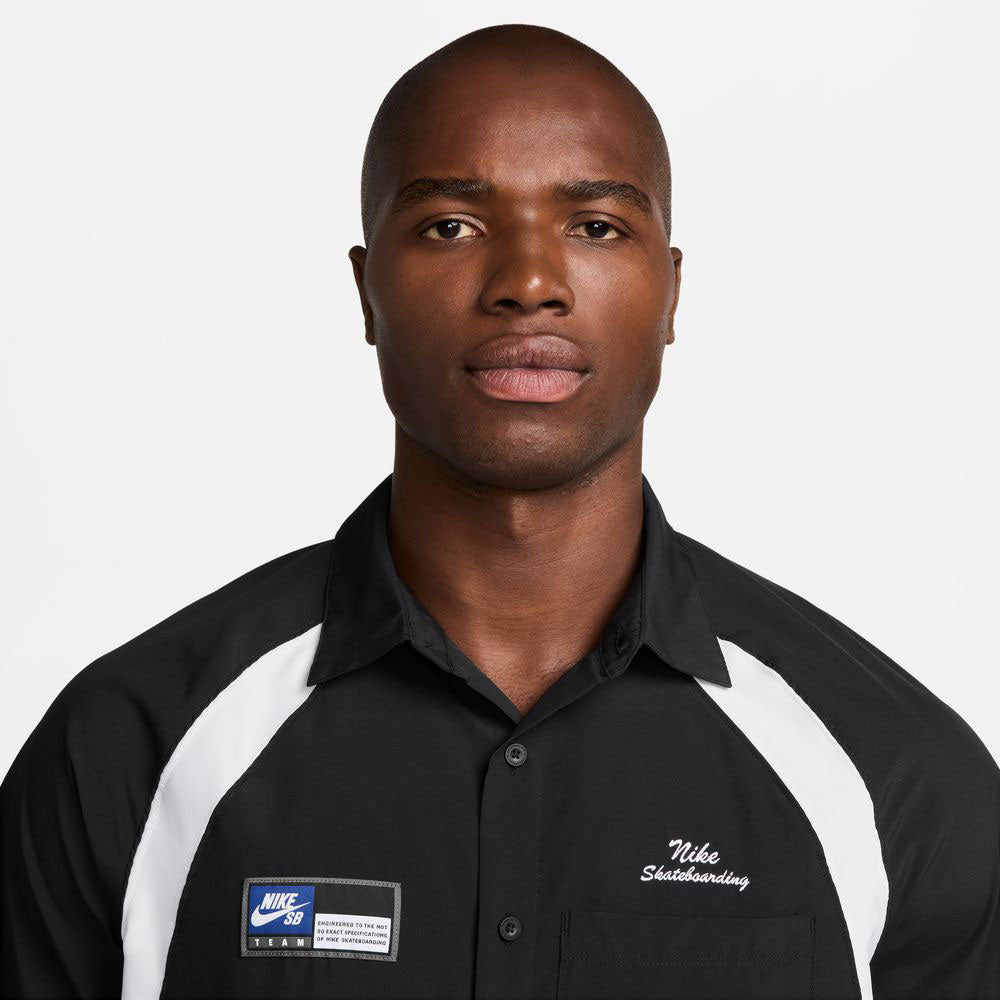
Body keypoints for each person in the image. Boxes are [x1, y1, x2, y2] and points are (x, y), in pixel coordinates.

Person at [2, 21, 997, 1000]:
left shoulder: (892, 775)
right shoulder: (130, 751)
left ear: (670, 293)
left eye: (595, 225)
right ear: (366, 290)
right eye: (451, 226)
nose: (527, 283)